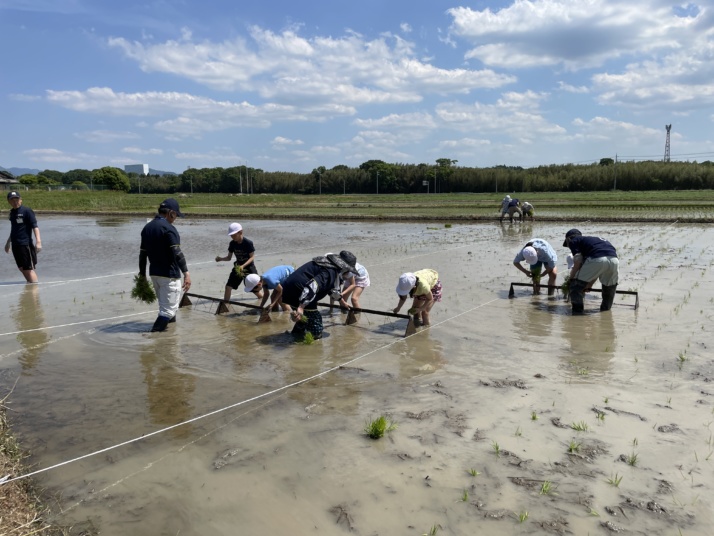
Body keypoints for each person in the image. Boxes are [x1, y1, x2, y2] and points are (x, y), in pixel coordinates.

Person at [139, 198, 191, 332]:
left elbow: (143, 255)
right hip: (169, 275)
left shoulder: (147, 228)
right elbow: (177, 252)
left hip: (154, 274)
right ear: (171, 213)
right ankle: (155, 339)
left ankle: (170, 338)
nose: (176, 219)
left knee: (166, 307)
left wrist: (142, 275)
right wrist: (186, 273)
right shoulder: (168, 228)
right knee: (167, 311)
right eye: (176, 215)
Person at [281, 251, 356, 340]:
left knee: (303, 319)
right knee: (315, 321)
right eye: (348, 271)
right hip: (300, 291)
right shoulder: (330, 271)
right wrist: (301, 306)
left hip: (289, 290)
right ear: (344, 268)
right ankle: (312, 344)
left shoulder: (326, 264)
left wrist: (342, 302)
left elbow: (330, 289)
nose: (347, 274)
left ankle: (296, 337)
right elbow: (313, 285)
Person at [562, 228, 619, 314]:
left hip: (597, 259)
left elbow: (578, 262)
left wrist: (571, 279)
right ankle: (605, 313)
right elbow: (597, 269)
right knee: (609, 288)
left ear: (568, 239)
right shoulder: (592, 241)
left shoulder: (573, 241)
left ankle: (577, 315)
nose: (569, 246)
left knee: (575, 287)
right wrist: (589, 284)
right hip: (614, 260)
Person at [215, 222, 262, 302]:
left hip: (249, 269)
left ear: (240, 232)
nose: (232, 237)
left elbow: (252, 257)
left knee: (255, 289)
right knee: (228, 286)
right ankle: (225, 305)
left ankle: (262, 301)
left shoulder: (248, 243)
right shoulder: (232, 244)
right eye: (231, 235)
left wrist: (243, 266)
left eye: (234, 235)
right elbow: (229, 258)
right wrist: (221, 259)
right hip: (238, 267)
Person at [5, 191, 42, 283]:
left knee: (29, 268)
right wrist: (8, 242)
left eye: (17, 199)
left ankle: (35, 293)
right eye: (12, 200)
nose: (15, 202)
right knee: (21, 268)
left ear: (21, 200)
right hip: (15, 244)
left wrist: (38, 242)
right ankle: (29, 289)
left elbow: (35, 227)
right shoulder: (12, 213)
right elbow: (14, 229)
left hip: (25, 244)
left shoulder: (27, 211)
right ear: (9, 201)